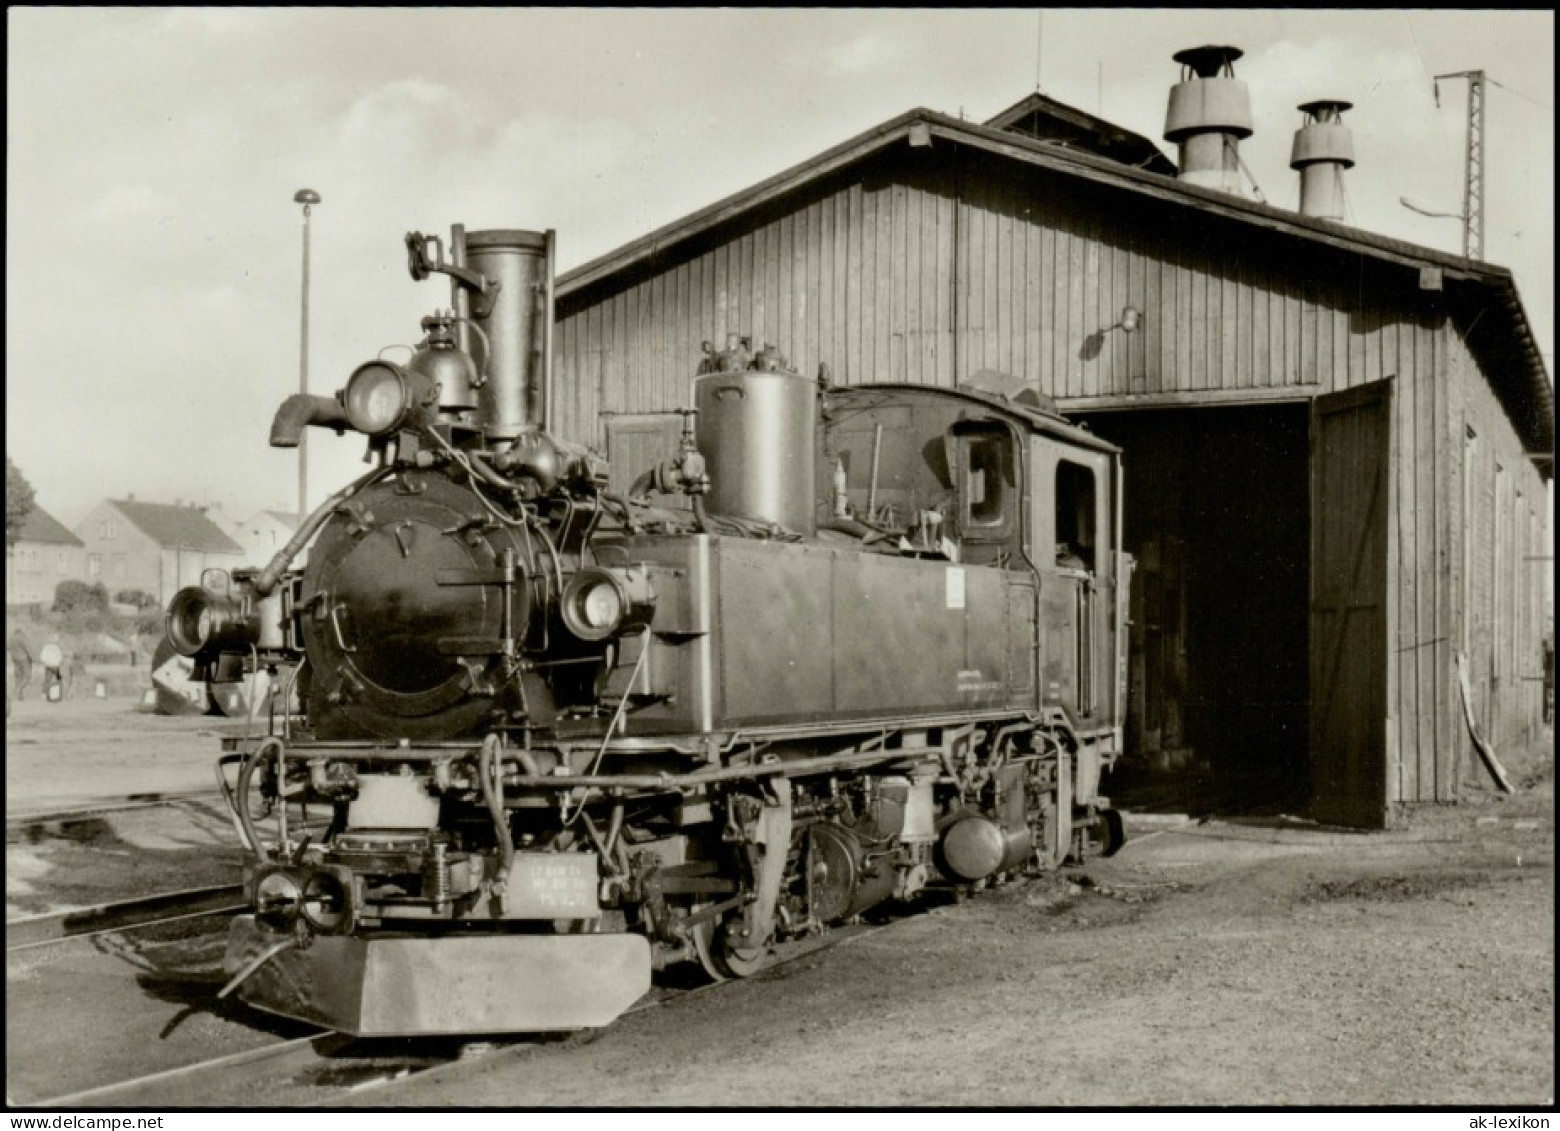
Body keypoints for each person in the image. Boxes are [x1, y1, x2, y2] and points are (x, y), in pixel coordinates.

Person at [8, 629, 32, 701]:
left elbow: (8, 647)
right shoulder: (22, 637)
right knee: (27, 676)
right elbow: (28, 649)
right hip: (24, 659)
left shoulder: (11, 638)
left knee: (18, 677)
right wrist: (33, 659)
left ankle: (19, 696)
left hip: (15, 659)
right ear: (21, 631)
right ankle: (18, 689)